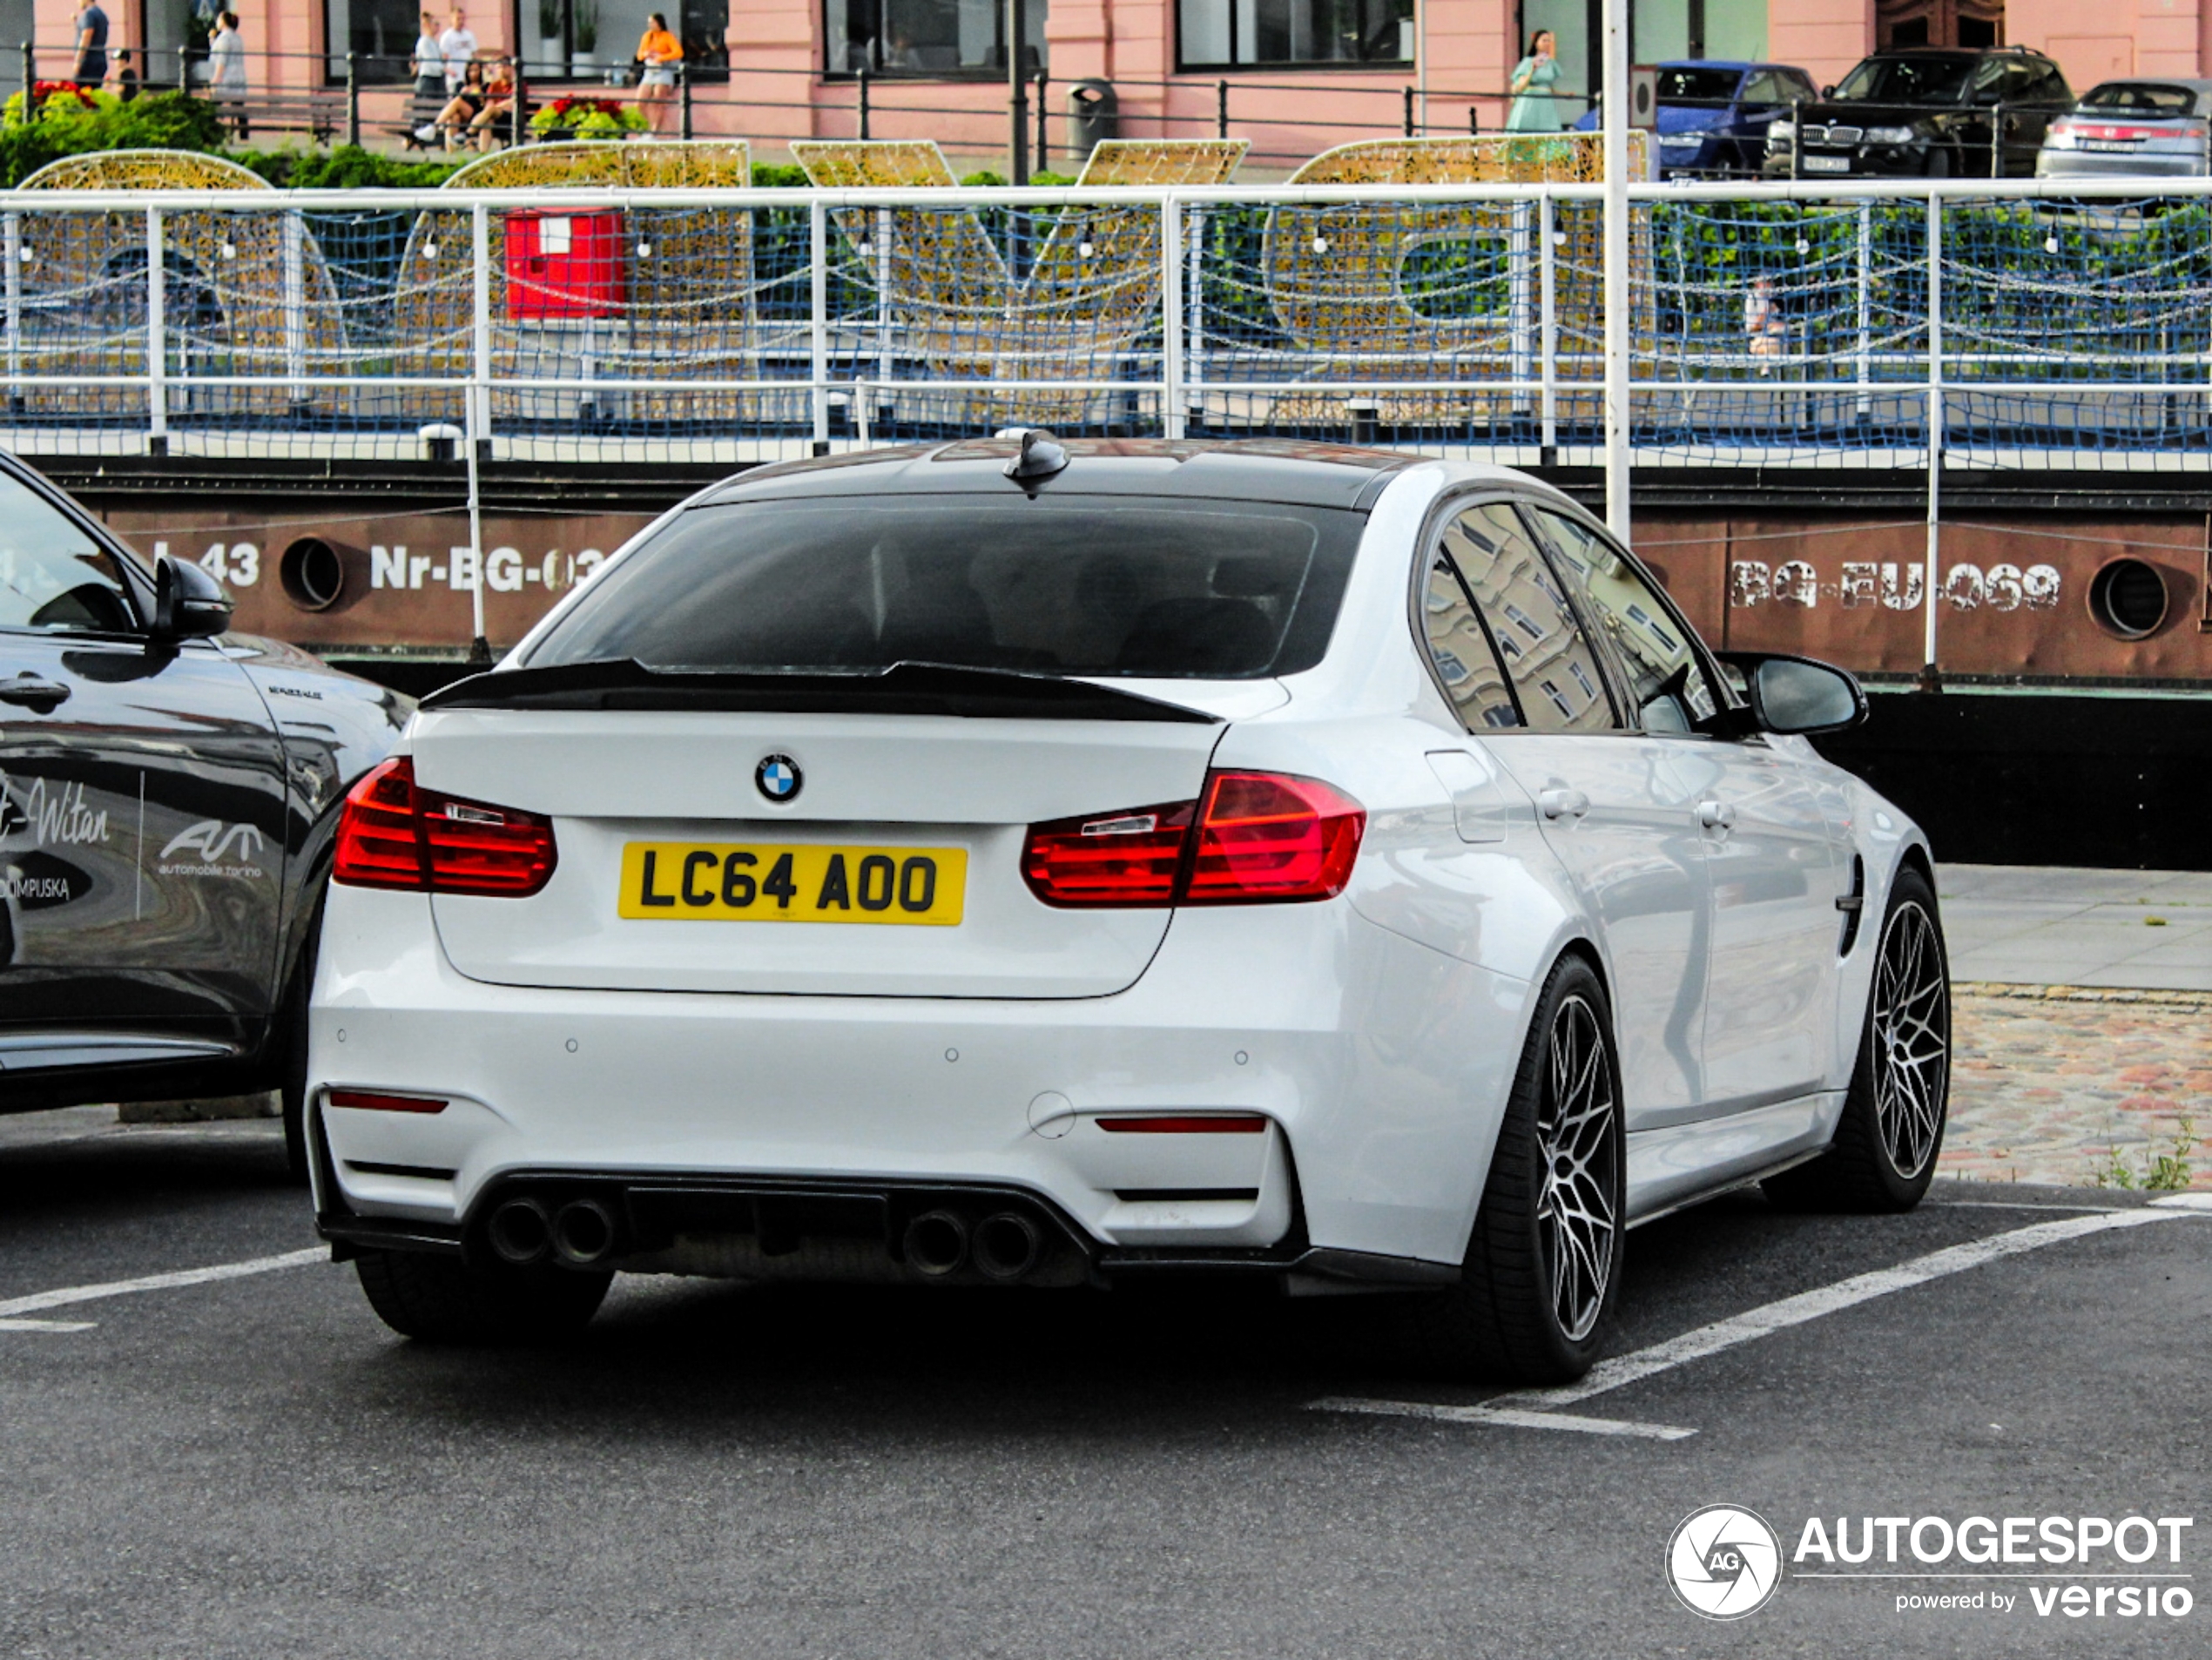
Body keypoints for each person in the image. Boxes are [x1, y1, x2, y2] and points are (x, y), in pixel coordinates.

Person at [1506, 28, 1561, 133]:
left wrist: (1565, 94)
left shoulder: (1550, 63)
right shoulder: (1528, 62)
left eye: (1549, 41)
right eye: (1544, 40)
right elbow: (1520, 86)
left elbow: (1549, 86)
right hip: (1530, 100)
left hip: (1546, 101)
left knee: (1549, 128)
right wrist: (1532, 69)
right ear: (1536, 43)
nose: (1547, 43)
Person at [635, 12, 682, 134]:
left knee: (658, 100)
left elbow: (678, 53)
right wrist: (646, 54)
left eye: (652, 22)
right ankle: (646, 127)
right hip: (650, 70)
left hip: (663, 70)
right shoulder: (647, 36)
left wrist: (661, 57)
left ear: (659, 23)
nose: (649, 25)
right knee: (640, 101)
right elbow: (640, 55)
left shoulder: (667, 36)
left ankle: (655, 130)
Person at [432, 56, 487, 149]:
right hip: (461, 118)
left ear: (481, 71)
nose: (473, 74)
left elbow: (486, 107)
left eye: (476, 70)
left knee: (457, 101)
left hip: (475, 117)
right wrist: (461, 94)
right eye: (470, 71)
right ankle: (451, 155)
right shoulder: (460, 85)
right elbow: (452, 106)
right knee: (453, 117)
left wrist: (481, 98)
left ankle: (434, 127)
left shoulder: (485, 86)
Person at [207, 10, 246, 132]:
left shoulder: (224, 39)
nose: (217, 21)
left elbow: (222, 60)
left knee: (213, 106)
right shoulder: (237, 38)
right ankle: (244, 135)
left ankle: (210, 132)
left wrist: (216, 79)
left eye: (219, 19)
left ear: (224, 21)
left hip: (226, 78)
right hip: (239, 77)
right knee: (239, 107)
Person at [467, 56, 516, 152]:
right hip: (495, 118)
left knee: (491, 110)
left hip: (511, 118)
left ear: (511, 68)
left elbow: (513, 103)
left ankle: (468, 134)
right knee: (488, 121)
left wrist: (496, 107)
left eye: (504, 67)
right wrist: (496, 107)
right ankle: (483, 154)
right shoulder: (494, 86)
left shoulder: (517, 84)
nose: (501, 70)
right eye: (499, 67)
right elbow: (489, 106)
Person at [1745, 274, 1787, 368]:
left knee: (1779, 344)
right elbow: (1751, 328)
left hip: (1778, 340)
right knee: (1769, 345)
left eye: (1769, 282)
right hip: (1757, 341)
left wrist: (1778, 325)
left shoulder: (1776, 299)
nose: (1768, 285)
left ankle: (1769, 371)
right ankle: (1766, 370)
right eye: (1765, 283)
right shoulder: (1752, 298)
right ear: (1757, 284)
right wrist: (1766, 312)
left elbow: (1783, 321)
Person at [438, 6, 477, 93]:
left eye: (463, 19)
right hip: (455, 78)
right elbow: (443, 58)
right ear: (452, 19)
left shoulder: (469, 35)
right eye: (458, 19)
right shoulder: (447, 37)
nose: (461, 22)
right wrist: (449, 71)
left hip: (468, 78)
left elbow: (474, 55)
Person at [71, 0, 109, 91]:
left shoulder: (88, 14)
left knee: (79, 93)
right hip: (99, 59)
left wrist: (78, 61)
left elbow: (86, 37)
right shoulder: (101, 14)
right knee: (93, 94)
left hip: (88, 61)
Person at [410, 11, 446, 101]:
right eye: (436, 24)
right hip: (428, 78)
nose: (438, 27)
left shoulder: (435, 42)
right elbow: (430, 60)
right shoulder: (424, 41)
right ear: (428, 25)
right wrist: (444, 69)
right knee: (427, 104)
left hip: (438, 77)